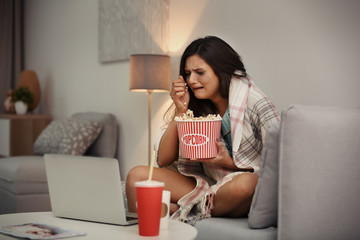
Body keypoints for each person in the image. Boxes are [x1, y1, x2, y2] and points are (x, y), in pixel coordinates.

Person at [126, 36, 280, 224]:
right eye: (188, 73)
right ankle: (150, 228)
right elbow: (163, 159)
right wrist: (180, 110)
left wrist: (232, 163)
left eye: (199, 72)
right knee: (137, 176)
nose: (192, 80)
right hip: (205, 183)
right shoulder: (195, 105)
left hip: (235, 186)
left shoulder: (254, 101)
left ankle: (187, 209)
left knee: (248, 185)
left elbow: (280, 160)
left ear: (222, 71)